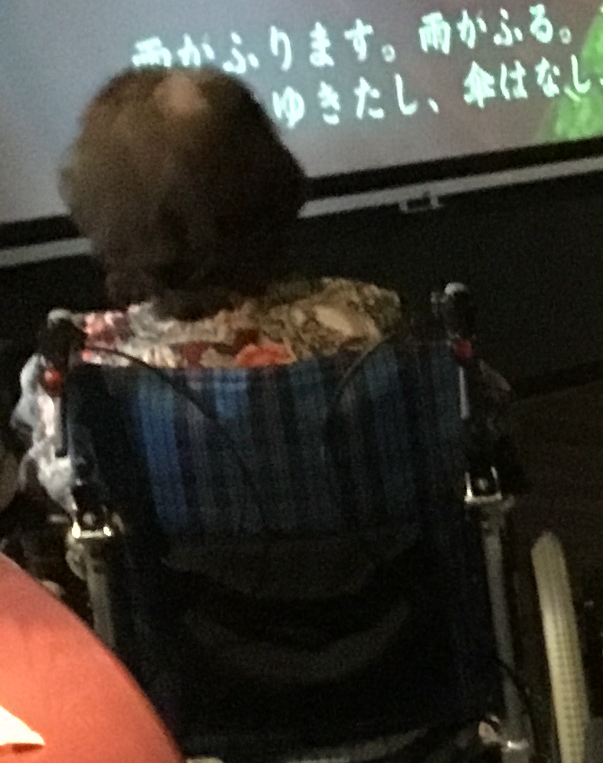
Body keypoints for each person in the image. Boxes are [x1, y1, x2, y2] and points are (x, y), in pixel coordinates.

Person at [7, 67, 397, 514]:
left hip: (158, 563)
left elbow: (52, 488)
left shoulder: (77, 368)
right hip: (375, 558)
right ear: (276, 179)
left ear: (106, 215)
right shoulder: (368, 321)